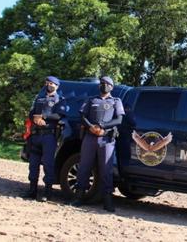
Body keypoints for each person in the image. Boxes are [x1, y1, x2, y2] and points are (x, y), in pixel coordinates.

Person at [70, 76, 124, 212]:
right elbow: (82, 116)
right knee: (84, 167)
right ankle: (79, 196)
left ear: (112, 87)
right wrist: (91, 127)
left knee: (106, 169)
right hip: (90, 137)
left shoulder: (116, 101)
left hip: (106, 140)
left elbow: (119, 119)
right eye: (102, 83)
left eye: (106, 84)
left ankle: (107, 200)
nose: (103, 85)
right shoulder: (91, 100)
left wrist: (103, 126)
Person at [21, 76, 66, 202]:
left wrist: (43, 117)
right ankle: (32, 191)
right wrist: (35, 118)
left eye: (52, 83)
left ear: (57, 86)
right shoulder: (39, 98)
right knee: (33, 164)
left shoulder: (59, 99)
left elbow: (59, 115)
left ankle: (47, 192)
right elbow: (31, 113)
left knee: (48, 164)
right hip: (36, 135)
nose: (49, 85)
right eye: (48, 83)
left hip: (49, 136)